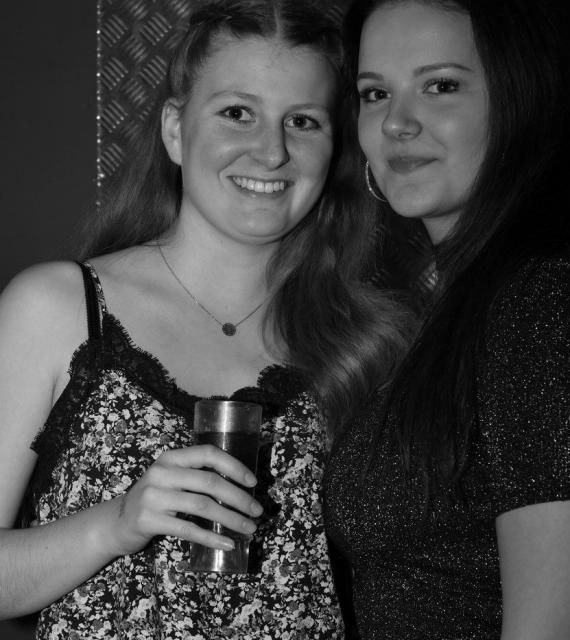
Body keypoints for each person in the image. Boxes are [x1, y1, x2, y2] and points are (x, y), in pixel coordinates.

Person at [0, 1, 409, 638]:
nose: (271, 151)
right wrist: (118, 523)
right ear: (175, 129)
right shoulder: (57, 310)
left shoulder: (370, 342)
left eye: (302, 121)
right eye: (237, 112)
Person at [324, 1, 570, 639]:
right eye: (375, 93)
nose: (397, 123)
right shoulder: (444, 303)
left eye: (441, 85)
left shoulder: (550, 306)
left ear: (518, 99)